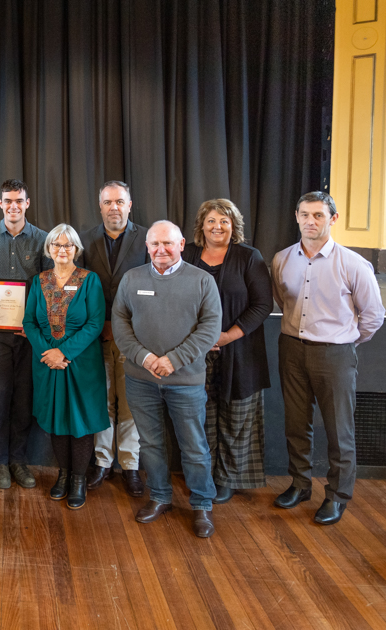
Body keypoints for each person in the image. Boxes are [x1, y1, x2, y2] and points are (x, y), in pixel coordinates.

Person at [271, 191, 385, 525]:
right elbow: (282, 301)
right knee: (295, 423)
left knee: (339, 429)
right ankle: (300, 484)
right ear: (296, 217)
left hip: (335, 354)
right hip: (291, 349)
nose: (311, 221)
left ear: (333, 219)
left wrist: (343, 342)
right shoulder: (281, 260)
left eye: (318, 215)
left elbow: (373, 316)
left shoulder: (353, 264)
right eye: (305, 215)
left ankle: (337, 496)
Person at [112, 220, 221, 538]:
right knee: (151, 443)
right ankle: (160, 496)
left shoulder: (202, 281)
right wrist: (144, 358)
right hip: (140, 378)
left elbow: (210, 327)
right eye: (155, 244)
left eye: (168, 244)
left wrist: (173, 360)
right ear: (147, 247)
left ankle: (202, 504)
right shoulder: (132, 279)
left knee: (194, 446)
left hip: (186, 381)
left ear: (182, 244)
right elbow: (120, 322)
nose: (161, 250)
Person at [181, 199, 273, 503]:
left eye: (224, 221)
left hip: (239, 351)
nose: (217, 226)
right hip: (194, 351)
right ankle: (202, 474)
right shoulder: (189, 254)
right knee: (200, 416)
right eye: (211, 221)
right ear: (201, 225)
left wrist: (224, 337)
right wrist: (199, 338)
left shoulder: (249, 257)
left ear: (234, 226)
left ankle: (228, 479)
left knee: (236, 416)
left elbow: (262, 305)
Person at [0, 179, 51, 490]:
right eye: (8, 201)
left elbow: (47, 286)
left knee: (23, 400)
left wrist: (37, 324)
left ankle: (18, 461)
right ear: (1, 203)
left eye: (19, 200)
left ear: (27, 203)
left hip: (29, 334)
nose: (13, 206)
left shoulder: (43, 239)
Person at [23, 224, 107, 509]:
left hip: (81, 363)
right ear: (49, 249)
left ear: (76, 249)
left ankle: (79, 480)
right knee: (57, 420)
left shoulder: (90, 280)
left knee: (80, 423)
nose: (62, 250)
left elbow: (95, 323)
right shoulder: (39, 281)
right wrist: (48, 353)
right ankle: (64, 474)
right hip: (48, 362)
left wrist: (63, 352)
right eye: (56, 245)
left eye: (67, 245)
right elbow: (29, 323)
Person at [78, 180, 148, 496]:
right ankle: (103, 463)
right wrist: (97, 323)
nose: (114, 207)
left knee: (131, 403)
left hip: (135, 336)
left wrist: (124, 326)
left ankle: (130, 466)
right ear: (100, 206)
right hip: (96, 335)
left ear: (129, 205)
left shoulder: (148, 239)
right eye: (108, 202)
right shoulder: (85, 239)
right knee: (102, 401)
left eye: (120, 202)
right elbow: (73, 286)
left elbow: (154, 289)